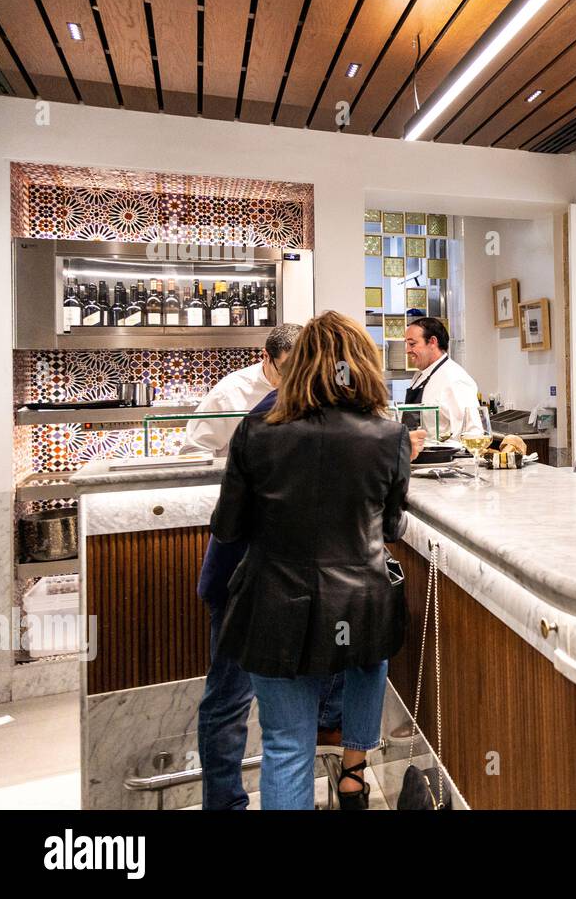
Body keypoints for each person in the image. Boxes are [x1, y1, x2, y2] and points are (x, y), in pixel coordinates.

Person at [211, 311, 411, 810]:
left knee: (285, 747)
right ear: (362, 365)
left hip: (273, 606)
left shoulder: (256, 431)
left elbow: (228, 527)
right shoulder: (388, 436)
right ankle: (354, 771)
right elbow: (389, 528)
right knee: (367, 665)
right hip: (359, 606)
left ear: (297, 366)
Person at [182, 325, 302, 456]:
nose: (294, 378)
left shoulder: (312, 386)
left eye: (301, 370)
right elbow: (195, 450)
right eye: (285, 370)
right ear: (266, 356)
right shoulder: (229, 392)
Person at [403, 316, 483, 441]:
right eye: (406, 344)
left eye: (412, 344)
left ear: (433, 342)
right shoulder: (420, 375)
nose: (407, 350)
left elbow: (473, 432)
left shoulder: (454, 378)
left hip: (442, 459)